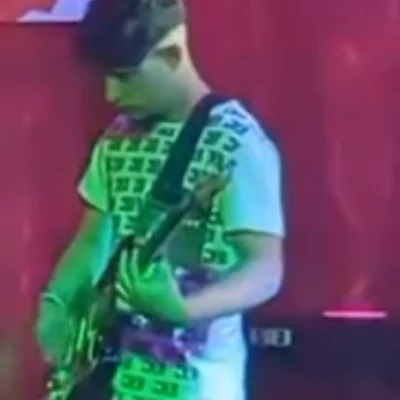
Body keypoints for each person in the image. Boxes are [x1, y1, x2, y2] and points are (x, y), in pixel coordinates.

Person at [35, 0, 285, 399]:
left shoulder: (236, 141)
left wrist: (184, 310)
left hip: (194, 385)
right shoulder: (118, 136)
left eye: (125, 77)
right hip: (111, 378)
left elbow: (265, 270)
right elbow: (95, 239)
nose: (111, 94)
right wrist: (58, 301)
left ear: (171, 53)